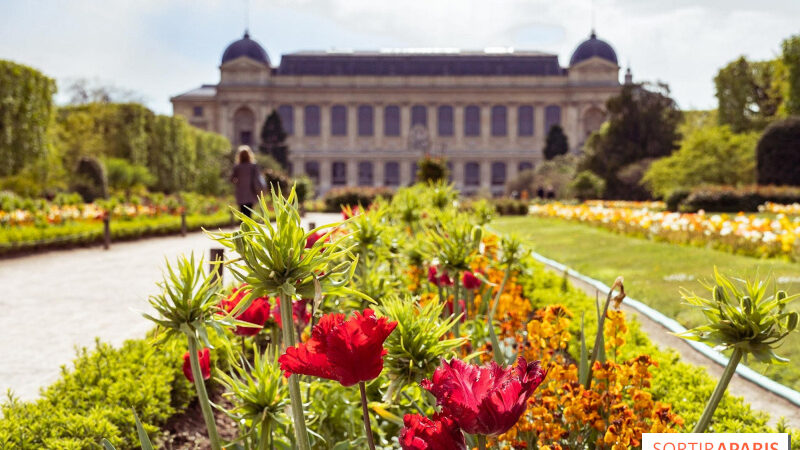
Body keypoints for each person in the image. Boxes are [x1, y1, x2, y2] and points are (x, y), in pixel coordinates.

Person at [230, 146, 264, 218]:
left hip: (240, 192)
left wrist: (238, 181)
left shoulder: (237, 167)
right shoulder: (253, 166)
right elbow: (257, 177)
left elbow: (232, 179)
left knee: (242, 212)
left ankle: (244, 227)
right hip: (251, 191)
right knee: (249, 212)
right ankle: (248, 227)